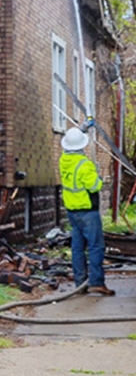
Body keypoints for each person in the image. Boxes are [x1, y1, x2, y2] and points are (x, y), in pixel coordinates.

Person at [59, 125, 114, 296]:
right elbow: (94, 186)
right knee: (96, 246)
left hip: (72, 211)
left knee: (77, 247)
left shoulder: (63, 161)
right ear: (82, 145)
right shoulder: (85, 165)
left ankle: (80, 283)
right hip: (88, 210)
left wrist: (84, 126)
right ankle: (96, 282)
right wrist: (98, 177)